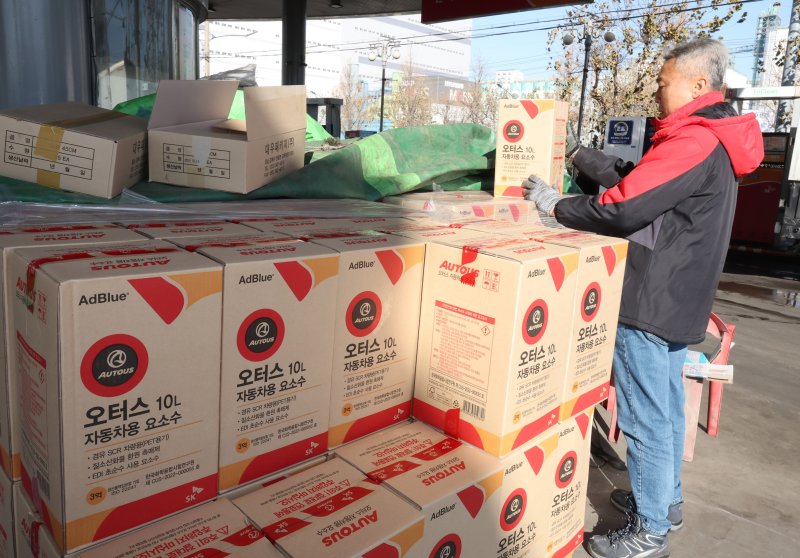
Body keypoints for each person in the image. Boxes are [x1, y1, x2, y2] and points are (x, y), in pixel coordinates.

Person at [523, 38, 763, 558]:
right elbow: (645, 187)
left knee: (645, 416)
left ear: (698, 85)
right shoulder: (712, 139)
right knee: (668, 407)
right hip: (679, 296)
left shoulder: (694, 141)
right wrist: (584, 158)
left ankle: (651, 533)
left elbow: (624, 209)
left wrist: (555, 204)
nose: (657, 91)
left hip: (651, 297)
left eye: (663, 81)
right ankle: (666, 504)